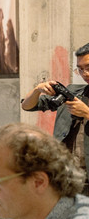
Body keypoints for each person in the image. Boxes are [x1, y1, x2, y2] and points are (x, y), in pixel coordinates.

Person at [21, 42, 89, 194]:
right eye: (80, 69)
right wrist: (38, 90)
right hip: (66, 175)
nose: (85, 73)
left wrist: (87, 113)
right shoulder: (74, 92)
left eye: (88, 67)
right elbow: (27, 106)